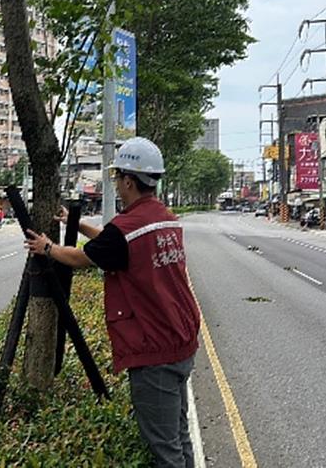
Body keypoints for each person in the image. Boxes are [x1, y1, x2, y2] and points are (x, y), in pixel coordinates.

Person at [24, 137, 201, 468]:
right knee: (178, 435)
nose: (117, 184)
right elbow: (113, 243)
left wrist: (47, 247)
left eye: (118, 177)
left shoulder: (128, 228)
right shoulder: (164, 218)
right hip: (181, 339)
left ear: (130, 180)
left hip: (155, 348)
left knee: (164, 447)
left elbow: (81, 258)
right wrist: (74, 224)